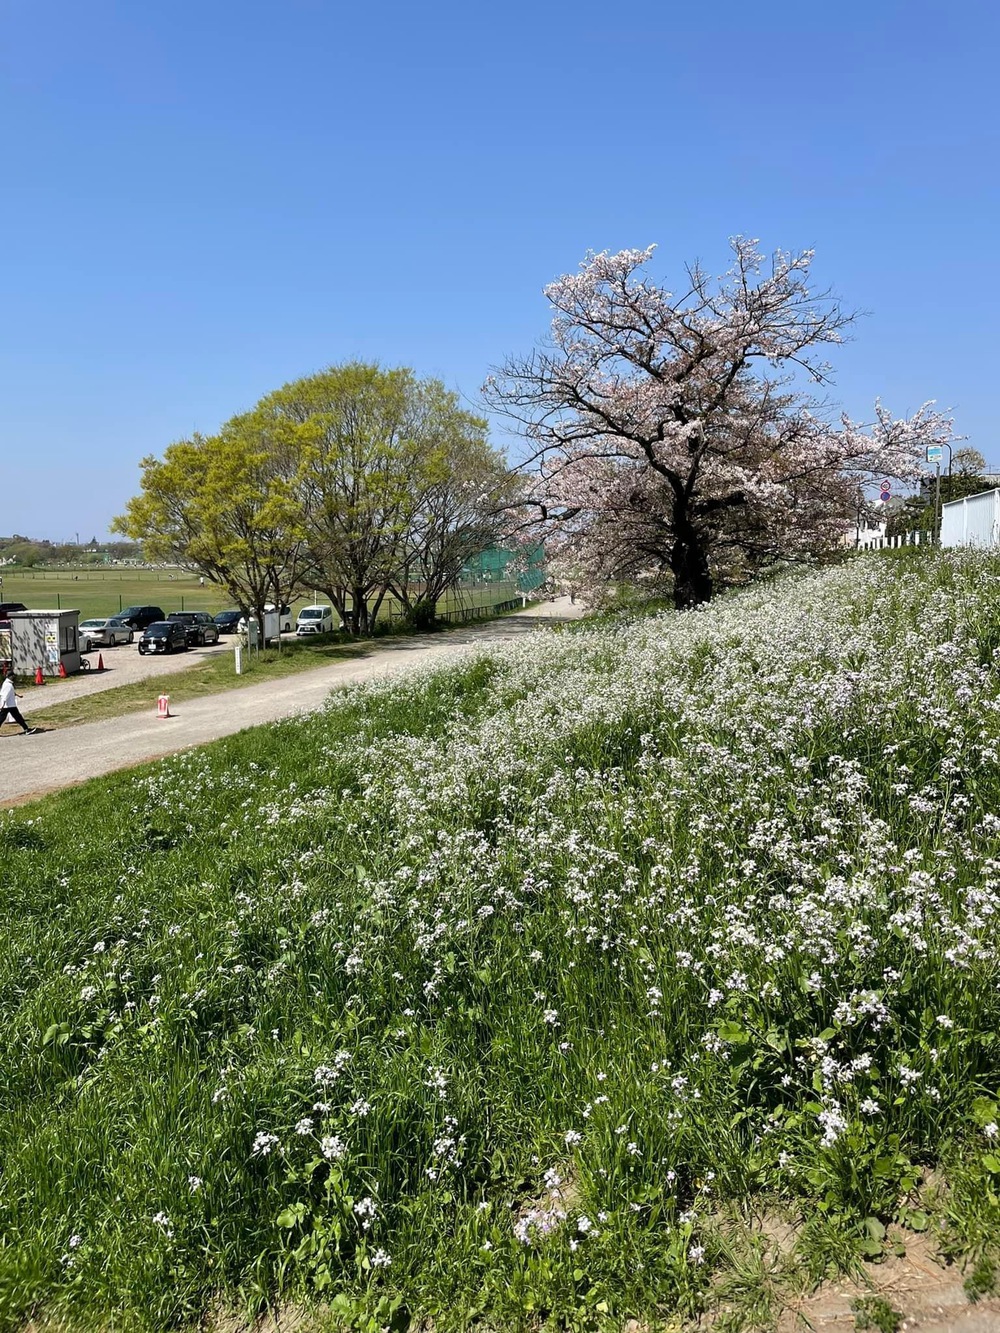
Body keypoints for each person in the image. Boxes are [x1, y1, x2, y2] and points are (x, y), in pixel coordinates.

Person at [0, 671, 37, 735]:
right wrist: (2, 704)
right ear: (10, 676)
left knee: (18, 718)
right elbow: (5, 695)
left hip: (10, 705)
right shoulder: (8, 685)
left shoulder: (6, 683)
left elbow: (9, 692)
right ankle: (27, 729)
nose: (14, 677)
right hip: (8, 705)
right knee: (3, 719)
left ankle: (26, 729)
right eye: (13, 676)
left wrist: (17, 695)